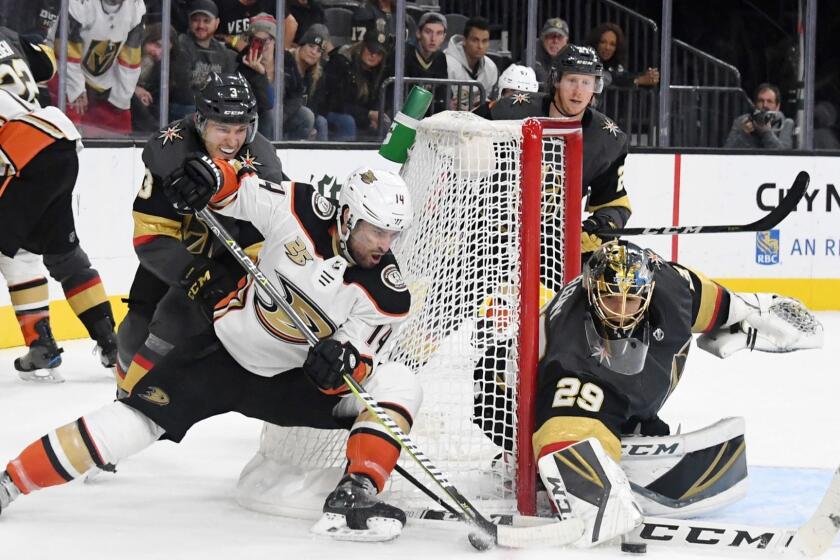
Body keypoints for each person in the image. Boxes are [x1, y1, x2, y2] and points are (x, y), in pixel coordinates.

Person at [0, 162, 422, 544]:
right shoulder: (299, 208)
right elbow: (241, 189)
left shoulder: (388, 292)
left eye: (392, 233)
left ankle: (356, 492)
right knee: (134, 419)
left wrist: (343, 362)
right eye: (376, 230)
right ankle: (11, 481)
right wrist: (212, 177)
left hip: (294, 383)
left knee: (399, 384)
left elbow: (363, 360)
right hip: (221, 356)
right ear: (347, 217)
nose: (385, 244)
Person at [530, 239, 823, 546]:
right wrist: (590, 498)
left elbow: (715, 301)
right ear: (592, 293)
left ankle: (627, 429)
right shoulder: (569, 343)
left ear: (648, 292)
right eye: (610, 298)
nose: (620, 311)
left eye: (630, 300)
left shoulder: (673, 290)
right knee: (571, 421)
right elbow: (564, 427)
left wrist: (748, 312)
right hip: (533, 391)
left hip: (626, 393)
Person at [115, 73, 284, 397]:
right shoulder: (171, 153)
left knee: (173, 322)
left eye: (240, 130)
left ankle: (136, 405)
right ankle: (123, 395)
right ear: (200, 122)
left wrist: (233, 276)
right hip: (176, 252)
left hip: (230, 257)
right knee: (134, 331)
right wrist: (192, 271)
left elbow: (266, 235)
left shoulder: (262, 164)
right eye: (222, 128)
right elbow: (151, 236)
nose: (232, 142)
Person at [0, 26, 119, 379]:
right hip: (59, 142)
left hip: (22, 151)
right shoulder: (8, 31)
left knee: (13, 252)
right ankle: (109, 339)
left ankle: (43, 346)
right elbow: (46, 65)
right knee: (59, 251)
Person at [475, 45, 631, 270]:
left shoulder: (606, 139)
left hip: (551, 246)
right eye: (572, 81)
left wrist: (601, 224)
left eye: (586, 83)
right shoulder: (511, 110)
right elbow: (461, 128)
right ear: (556, 80)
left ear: (595, 87)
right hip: (489, 234)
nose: (578, 92)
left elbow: (615, 204)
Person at [64, 0, 146, 137]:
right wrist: (76, 88)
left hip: (105, 80)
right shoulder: (81, 4)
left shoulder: (136, 7)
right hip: (68, 74)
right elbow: (66, 49)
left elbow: (130, 59)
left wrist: (121, 99)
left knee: (121, 137)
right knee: (71, 134)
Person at [169, 0, 237, 121]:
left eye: (206, 21)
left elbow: (228, 86)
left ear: (216, 23)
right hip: (185, 107)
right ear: (189, 21)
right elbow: (183, 91)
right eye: (196, 20)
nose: (201, 25)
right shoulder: (180, 45)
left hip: (213, 108)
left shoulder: (222, 52)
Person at [322, 28, 390, 141]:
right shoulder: (341, 61)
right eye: (370, 50)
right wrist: (368, 115)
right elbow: (336, 103)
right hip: (332, 111)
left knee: (385, 123)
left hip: (359, 115)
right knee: (348, 122)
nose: (373, 56)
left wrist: (375, 115)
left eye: (379, 53)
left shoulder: (378, 72)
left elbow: (377, 101)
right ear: (362, 46)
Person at [286, 24, 330, 140]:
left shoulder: (317, 74)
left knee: (321, 121)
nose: (314, 52)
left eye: (319, 51)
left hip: (303, 118)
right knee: (307, 116)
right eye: (311, 46)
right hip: (284, 115)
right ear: (301, 45)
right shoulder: (286, 61)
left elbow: (316, 104)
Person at [445, 16, 498, 110]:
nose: (480, 46)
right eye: (475, 40)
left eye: (484, 41)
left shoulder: (491, 67)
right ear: (464, 41)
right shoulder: (447, 63)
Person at [586, 22, 659, 89]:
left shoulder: (614, 66)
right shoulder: (586, 60)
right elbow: (604, 78)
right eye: (603, 42)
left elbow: (622, 76)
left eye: (612, 44)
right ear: (596, 43)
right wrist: (638, 80)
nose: (607, 47)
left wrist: (646, 77)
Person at [724, 83, 794, 150]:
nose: (765, 105)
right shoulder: (742, 121)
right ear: (755, 104)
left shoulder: (786, 123)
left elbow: (784, 155)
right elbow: (726, 152)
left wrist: (766, 133)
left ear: (777, 106)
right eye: (761, 101)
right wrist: (744, 133)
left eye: (769, 101)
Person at [404, 12, 448, 113]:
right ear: (418, 33)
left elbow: (443, 93)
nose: (433, 38)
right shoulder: (404, 54)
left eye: (439, 33)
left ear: (444, 37)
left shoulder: (440, 58)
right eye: (428, 32)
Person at [472, 64, 539, 119]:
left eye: (525, 94)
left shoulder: (540, 119)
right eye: (513, 92)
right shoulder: (483, 113)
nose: (518, 98)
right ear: (502, 92)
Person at [527, 17, 569, 91]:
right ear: (542, 38)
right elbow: (544, 82)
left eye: (560, 37)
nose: (555, 41)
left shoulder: (570, 56)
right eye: (551, 36)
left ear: (566, 40)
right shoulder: (532, 52)